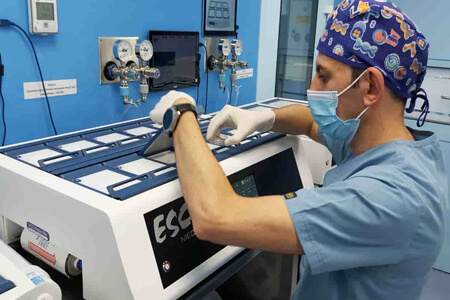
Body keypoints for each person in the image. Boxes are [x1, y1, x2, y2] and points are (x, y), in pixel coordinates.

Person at [149, 1, 448, 299]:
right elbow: (309, 124)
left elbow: (214, 217)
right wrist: (264, 118)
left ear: (370, 87)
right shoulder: (387, 148)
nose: (313, 89)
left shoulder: (389, 198)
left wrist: (181, 115)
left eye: (324, 75)